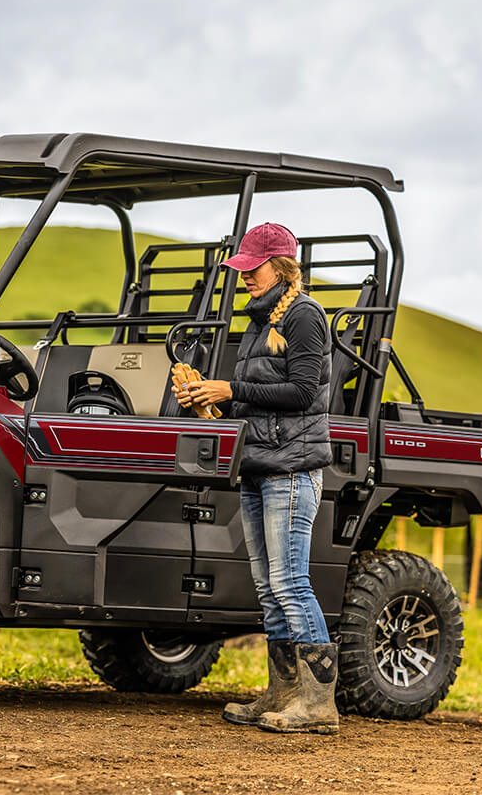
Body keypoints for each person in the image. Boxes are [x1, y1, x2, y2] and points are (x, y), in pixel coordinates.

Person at [171, 222, 337, 735]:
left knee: (290, 583)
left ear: (281, 267)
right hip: (260, 465)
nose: (243, 277)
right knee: (269, 588)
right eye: (241, 269)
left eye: (251, 268)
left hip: (291, 469)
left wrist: (229, 387)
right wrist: (209, 395)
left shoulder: (305, 316)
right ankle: (284, 692)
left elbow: (304, 393)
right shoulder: (261, 321)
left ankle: (319, 704)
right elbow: (257, 395)